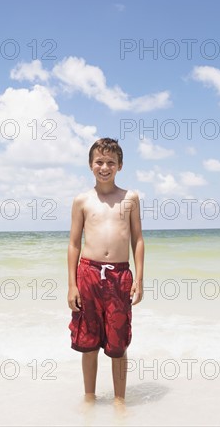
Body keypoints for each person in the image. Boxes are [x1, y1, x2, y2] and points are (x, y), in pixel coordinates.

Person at [67, 137, 144, 407]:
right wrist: (72, 285)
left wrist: (139, 279)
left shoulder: (130, 199)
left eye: (111, 162)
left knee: (118, 343)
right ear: (90, 165)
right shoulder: (82, 200)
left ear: (120, 166)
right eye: (99, 162)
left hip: (120, 277)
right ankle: (89, 397)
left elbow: (138, 240)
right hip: (88, 274)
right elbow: (74, 243)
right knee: (87, 341)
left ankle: (120, 400)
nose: (104, 167)